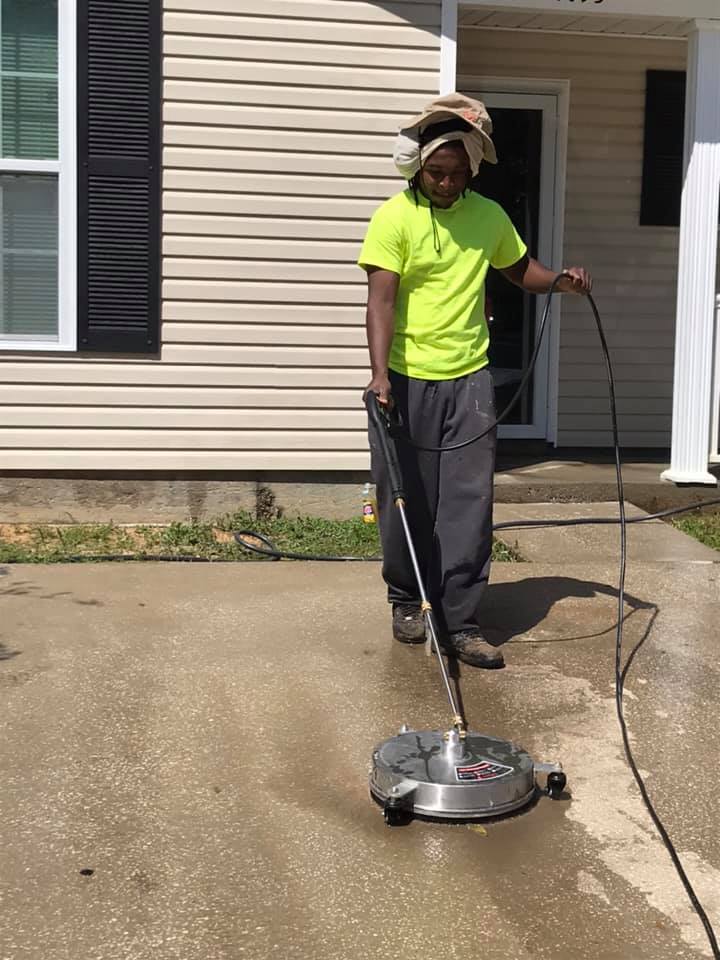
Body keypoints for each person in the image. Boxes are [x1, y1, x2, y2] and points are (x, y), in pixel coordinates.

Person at [358, 93, 592, 669]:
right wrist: (379, 374)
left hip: (470, 379)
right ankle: (408, 601)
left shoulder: (487, 215)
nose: (446, 182)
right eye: (437, 172)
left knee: (468, 502)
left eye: (457, 174)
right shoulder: (394, 217)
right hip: (405, 381)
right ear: (418, 167)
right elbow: (380, 300)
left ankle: (462, 621)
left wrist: (560, 280)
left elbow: (520, 270)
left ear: (471, 171)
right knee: (405, 498)